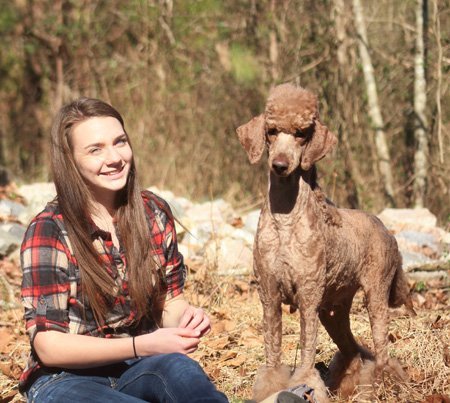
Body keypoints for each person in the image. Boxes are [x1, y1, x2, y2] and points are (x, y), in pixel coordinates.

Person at [19, 97, 229, 403]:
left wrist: (186, 319)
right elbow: (49, 346)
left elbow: (169, 302)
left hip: (140, 365)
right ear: (70, 161)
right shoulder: (49, 230)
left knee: (185, 375)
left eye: (120, 142)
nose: (115, 157)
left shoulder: (153, 212)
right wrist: (142, 345)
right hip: (65, 378)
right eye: (95, 149)